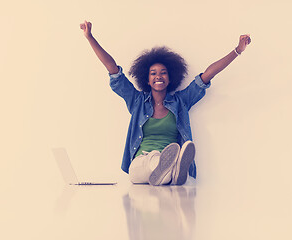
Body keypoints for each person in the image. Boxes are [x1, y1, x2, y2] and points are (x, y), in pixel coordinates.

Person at [80, 20, 251, 186]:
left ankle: (169, 170)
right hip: (142, 160)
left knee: (159, 165)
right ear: (147, 80)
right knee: (139, 170)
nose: (158, 76)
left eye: (163, 73)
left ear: (170, 78)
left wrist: (237, 50)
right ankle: (171, 171)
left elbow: (207, 74)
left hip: (169, 156)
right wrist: (90, 37)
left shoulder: (181, 101)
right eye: (153, 73)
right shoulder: (137, 101)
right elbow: (113, 70)